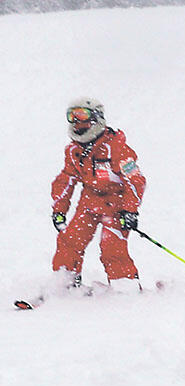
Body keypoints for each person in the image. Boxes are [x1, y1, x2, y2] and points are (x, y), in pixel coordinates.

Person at [51, 97, 146, 291]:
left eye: (82, 115)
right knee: (70, 241)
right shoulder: (73, 151)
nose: (77, 122)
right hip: (90, 202)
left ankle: (125, 286)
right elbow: (66, 180)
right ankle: (65, 282)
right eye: (72, 116)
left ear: (96, 118)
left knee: (112, 247)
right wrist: (59, 209)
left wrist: (130, 211)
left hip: (116, 204)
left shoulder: (116, 148)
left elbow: (135, 180)